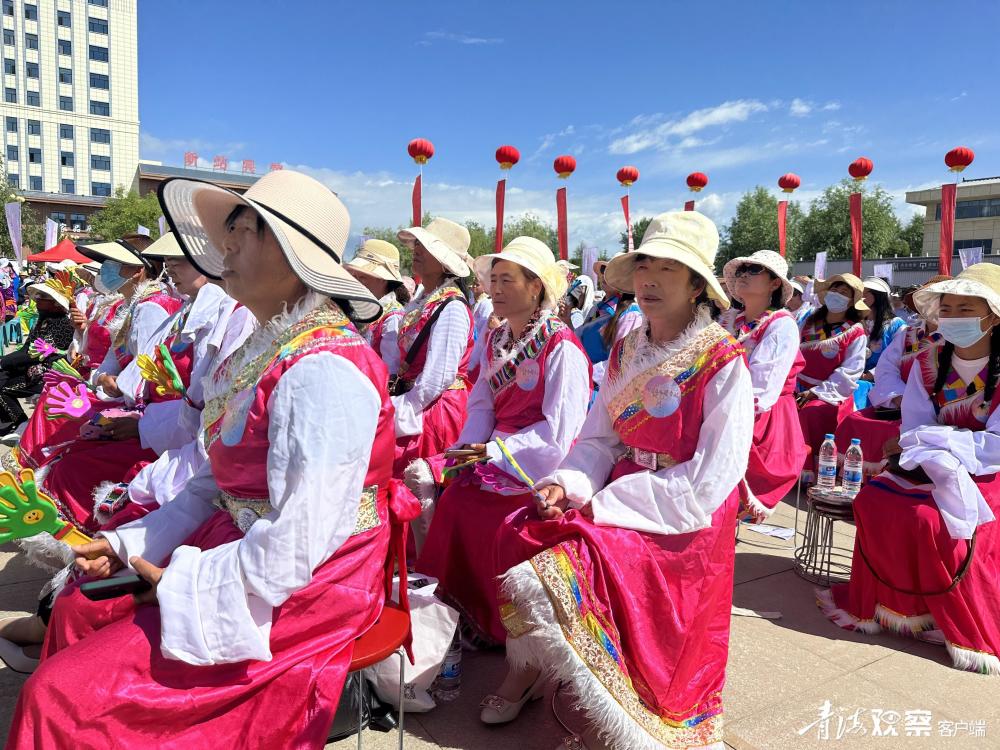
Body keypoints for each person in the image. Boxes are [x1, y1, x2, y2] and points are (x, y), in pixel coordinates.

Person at [6, 169, 398, 747]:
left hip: (313, 582)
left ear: (293, 254)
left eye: (243, 230)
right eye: (228, 229)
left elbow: (297, 546)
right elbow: (215, 480)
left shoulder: (325, 370)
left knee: (61, 697)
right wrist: (126, 545)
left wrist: (179, 581)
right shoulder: (267, 348)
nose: (225, 246)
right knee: (78, 604)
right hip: (246, 544)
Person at [482, 212, 753, 750]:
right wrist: (570, 483)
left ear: (697, 285)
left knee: (571, 558)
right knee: (521, 526)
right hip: (620, 494)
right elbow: (598, 440)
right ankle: (531, 667)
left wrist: (602, 505)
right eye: (644, 266)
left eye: (668, 269)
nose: (648, 280)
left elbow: (712, 479)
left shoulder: (723, 363)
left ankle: (633, 714)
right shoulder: (628, 349)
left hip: (681, 515)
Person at [819, 263, 1000, 676]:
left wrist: (939, 442)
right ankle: (891, 606)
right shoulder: (929, 359)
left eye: (965, 308)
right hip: (930, 460)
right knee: (874, 499)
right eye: (948, 308)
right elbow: (916, 423)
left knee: (932, 518)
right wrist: (930, 446)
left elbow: (995, 445)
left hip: (988, 468)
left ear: (992, 314)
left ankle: (948, 612)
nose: (953, 316)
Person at [414, 237, 591, 642]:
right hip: (495, 455)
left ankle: (503, 629)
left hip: (538, 462)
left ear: (536, 287)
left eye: (507, 279)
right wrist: (468, 451)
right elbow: (481, 406)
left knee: (499, 521)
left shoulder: (559, 345)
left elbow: (559, 429)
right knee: (456, 499)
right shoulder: (496, 340)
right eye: (492, 279)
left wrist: (493, 451)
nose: (494, 289)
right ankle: (458, 611)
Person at [36, 232, 252, 534]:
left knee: (79, 464)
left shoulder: (222, 314)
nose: (170, 266)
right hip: (165, 426)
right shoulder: (185, 310)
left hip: (183, 441)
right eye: (168, 260)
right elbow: (132, 372)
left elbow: (208, 412)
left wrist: (139, 421)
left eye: (180, 259)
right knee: (75, 444)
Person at [722, 250, 806, 520]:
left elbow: (763, 386)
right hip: (724, 405)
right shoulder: (728, 322)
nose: (744, 275)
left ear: (774, 283)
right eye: (742, 270)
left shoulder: (782, 325)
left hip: (758, 417)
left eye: (754, 270)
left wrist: (723, 415)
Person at [834, 276, 945, 478]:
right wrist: (899, 397)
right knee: (854, 420)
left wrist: (911, 404)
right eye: (928, 300)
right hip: (894, 405)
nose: (934, 307)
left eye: (941, 302)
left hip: (931, 413)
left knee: (894, 431)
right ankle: (854, 478)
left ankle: (888, 479)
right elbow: (887, 368)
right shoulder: (908, 334)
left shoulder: (953, 341)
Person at [392, 217, 474, 475]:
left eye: (425, 247)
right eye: (417, 244)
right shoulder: (425, 300)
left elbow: (438, 377)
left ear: (444, 262)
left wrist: (401, 411)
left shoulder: (452, 308)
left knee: (419, 486)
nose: (416, 249)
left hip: (432, 411)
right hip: (418, 404)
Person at [796, 273, 867, 482]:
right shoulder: (809, 322)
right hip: (798, 385)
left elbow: (850, 372)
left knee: (810, 412)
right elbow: (793, 354)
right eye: (835, 290)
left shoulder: (855, 332)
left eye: (844, 293)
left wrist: (814, 393)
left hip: (830, 394)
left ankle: (812, 473)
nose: (838, 295)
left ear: (852, 301)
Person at [0, 278, 75, 435]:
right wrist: (5, 362)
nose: (38, 300)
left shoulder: (61, 323)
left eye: (43, 297)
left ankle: (19, 423)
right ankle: (15, 422)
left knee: (4, 388)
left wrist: (4, 362)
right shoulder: (43, 320)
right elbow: (28, 348)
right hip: (34, 368)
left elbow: (36, 354)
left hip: (48, 374)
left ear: (55, 303)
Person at [575, 253, 643, 388]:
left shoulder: (631, 315)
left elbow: (621, 361)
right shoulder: (597, 308)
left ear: (626, 281)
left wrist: (587, 371)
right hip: (583, 379)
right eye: (604, 271)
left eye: (612, 273)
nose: (605, 276)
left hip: (600, 386)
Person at [345, 238, 407, 376]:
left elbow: (391, 368)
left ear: (383, 279)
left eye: (362, 277)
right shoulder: (361, 308)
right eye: (355, 276)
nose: (356, 282)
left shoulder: (393, 317)